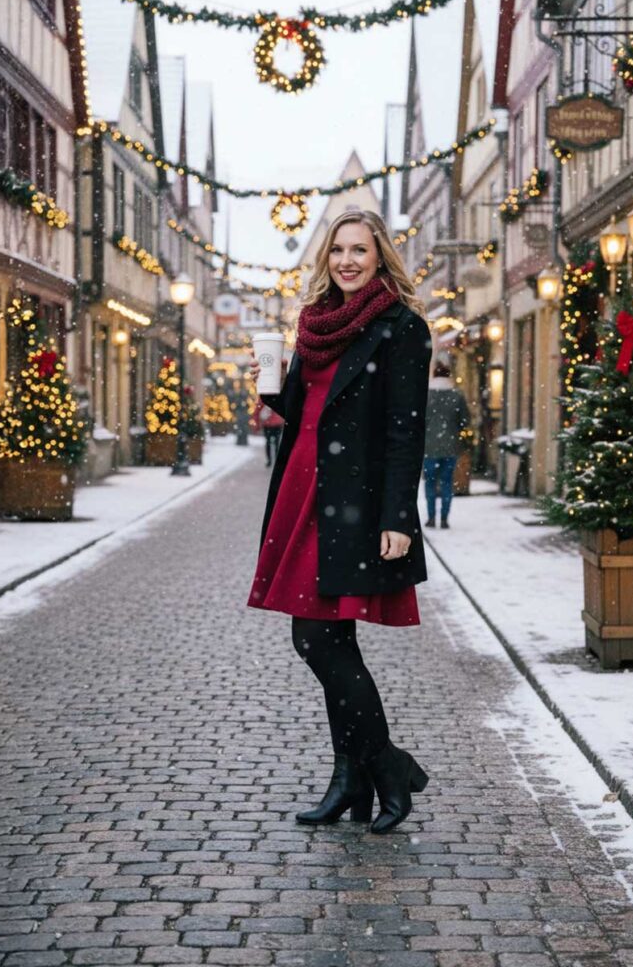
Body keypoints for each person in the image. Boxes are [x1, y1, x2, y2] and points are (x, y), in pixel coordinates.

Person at [247, 209, 432, 835]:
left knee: (320, 640)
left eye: (360, 250)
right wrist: (271, 388)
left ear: (380, 256)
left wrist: (399, 517)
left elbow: (407, 431)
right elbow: (300, 411)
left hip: (355, 498)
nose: (347, 261)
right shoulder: (315, 325)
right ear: (325, 258)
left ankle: (380, 764)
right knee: (323, 639)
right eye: (338, 251)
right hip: (305, 491)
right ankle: (354, 774)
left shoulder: (402, 329)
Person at [423, 362, 470, 529]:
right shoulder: (456, 395)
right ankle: (444, 518)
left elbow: (418, 421)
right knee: (447, 482)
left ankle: (430, 517)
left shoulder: (425, 396)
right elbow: (465, 421)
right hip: (451, 447)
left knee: (429, 483)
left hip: (429, 447)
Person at [254, 385, 285, 468]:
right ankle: (276, 461)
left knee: (268, 442)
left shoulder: (264, 396)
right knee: (277, 443)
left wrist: (257, 425)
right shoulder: (279, 394)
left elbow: (257, 410)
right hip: (277, 423)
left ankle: (269, 460)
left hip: (267, 424)